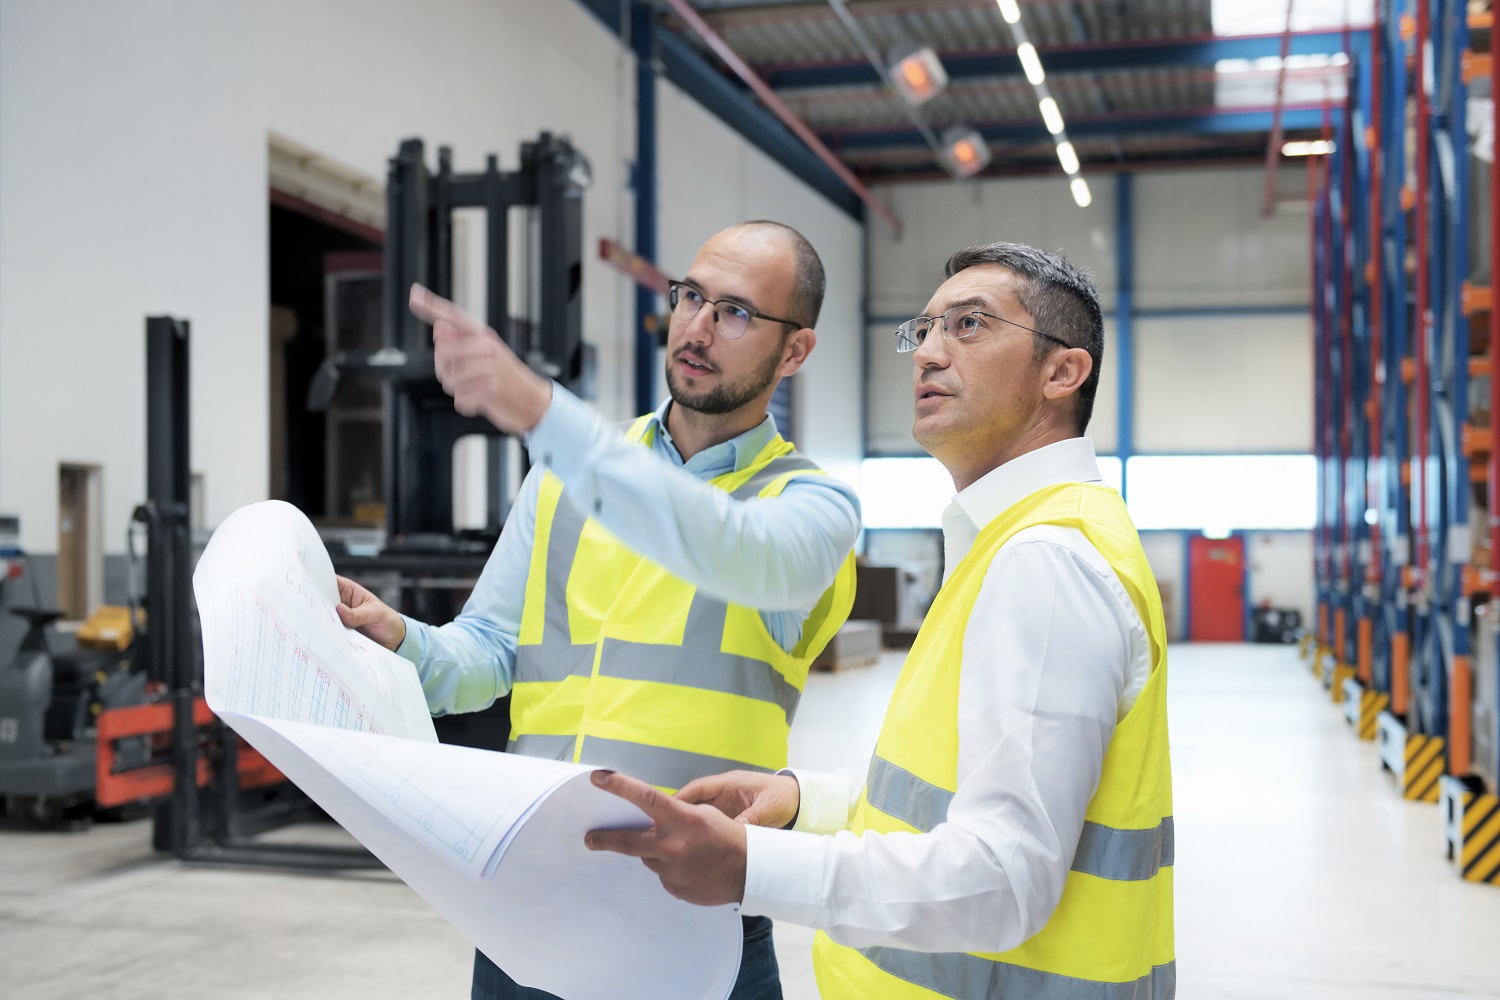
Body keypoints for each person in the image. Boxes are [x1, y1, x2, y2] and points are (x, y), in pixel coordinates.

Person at [586, 242, 1175, 999]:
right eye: (923, 329)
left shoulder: (1045, 563)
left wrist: (750, 867)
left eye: (968, 325)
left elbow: (1005, 880)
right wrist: (810, 804)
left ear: (1063, 373)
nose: (928, 352)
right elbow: (962, 795)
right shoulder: (1018, 539)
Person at [334, 221, 861, 1000]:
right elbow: (485, 655)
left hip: (693, 910)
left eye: (737, 312)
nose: (698, 327)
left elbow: (734, 546)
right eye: (690, 298)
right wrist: (401, 642)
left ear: (796, 351)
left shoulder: (812, 508)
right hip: (529, 899)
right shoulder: (565, 475)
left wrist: (547, 416)